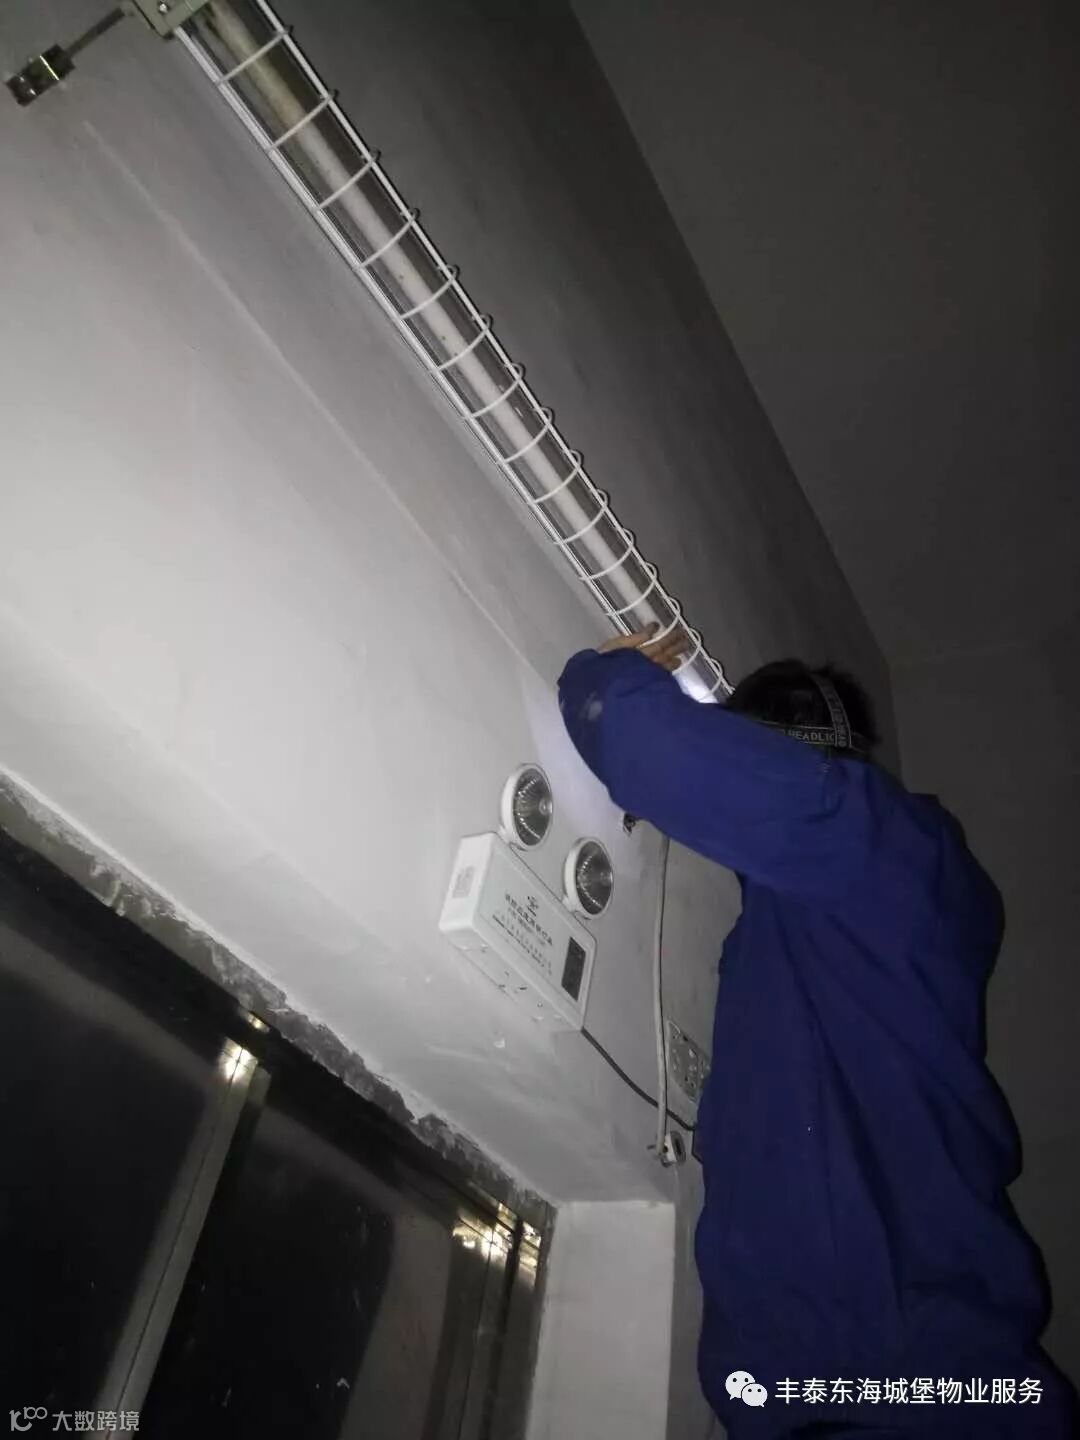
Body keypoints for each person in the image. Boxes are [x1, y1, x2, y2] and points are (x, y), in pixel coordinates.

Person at [557, 625, 1078, 1438]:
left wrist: (599, 676)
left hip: (901, 1386)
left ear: (783, 757)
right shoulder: (855, 911)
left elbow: (643, 741)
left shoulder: (869, 841)